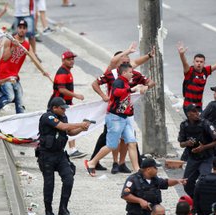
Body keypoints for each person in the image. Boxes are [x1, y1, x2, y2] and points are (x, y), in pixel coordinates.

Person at [90, 45, 155, 173]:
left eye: (128, 61)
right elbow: (116, 90)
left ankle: (131, 167)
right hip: (115, 113)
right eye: (123, 61)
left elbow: (138, 66)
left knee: (131, 141)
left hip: (127, 113)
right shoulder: (113, 74)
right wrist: (104, 96)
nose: (127, 63)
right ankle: (96, 161)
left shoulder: (131, 73)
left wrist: (149, 56)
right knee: (110, 142)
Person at [84, 63, 147, 176]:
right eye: (130, 72)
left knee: (132, 142)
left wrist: (142, 87)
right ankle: (92, 162)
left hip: (125, 117)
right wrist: (132, 90)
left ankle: (137, 170)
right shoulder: (118, 82)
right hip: (115, 118)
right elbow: (116, 93)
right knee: (112, 145)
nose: (132, 74)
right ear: (124, 73)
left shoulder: (126, 82)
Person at [36, 97, 91, 215]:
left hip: (60, 154)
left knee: (69, 179)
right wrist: (80, 124)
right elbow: (62, 127)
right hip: (47, 155)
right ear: (54, 108)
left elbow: (70, 132)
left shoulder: (63, 117)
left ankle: (63, 209)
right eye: (62, 108)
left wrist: (81, 128)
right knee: (49, 184)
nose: (64, 111)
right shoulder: (48, 117)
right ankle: (48, 211)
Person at [120, 158, 187, 215]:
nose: (157, 170)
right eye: (155, 168)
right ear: (148, 169)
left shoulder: (155, 179)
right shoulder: (133, 179)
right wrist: (140, 200)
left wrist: (177, 181)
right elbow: (125, 195)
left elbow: (165, 182)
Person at [0, 19, 48, 113]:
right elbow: (5, 58)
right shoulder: (10, 41)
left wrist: (43, 71)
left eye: (24, 28)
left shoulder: (27, 45)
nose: (22, 30)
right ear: (17, 29)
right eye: (20, 28)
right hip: (4, 74)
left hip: (14, 75)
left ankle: (21, 118)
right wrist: (13, 47)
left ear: (26, 30)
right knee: (10, 97)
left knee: (19, 99)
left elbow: (34, 59)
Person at [177, 41, 216, 113]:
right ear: (193, 62)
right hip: (189, 106)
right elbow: (185, 63)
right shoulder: (189, 71)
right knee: (199, 122)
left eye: (201, 62)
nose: (199, 63)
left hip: (199, 105)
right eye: (197, 61)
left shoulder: (205, 71)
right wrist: (182, 55)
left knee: (202, 122)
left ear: (204, 63)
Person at [178, 104, 216, 197]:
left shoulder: (206, 123)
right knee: (187, 183)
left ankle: (205, 200)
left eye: (198, 111)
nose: (197, 113)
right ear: (188, 114)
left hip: (206, 157)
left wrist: (204, 147)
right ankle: (196, 200)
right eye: (194, 111)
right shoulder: (184, 125)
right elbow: (181, 143)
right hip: (193, 158)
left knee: (205, 181)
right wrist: (187, 143)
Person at [51, 50, 86, 159]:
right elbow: (62, 90)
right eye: (69, 59)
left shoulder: (67, 71)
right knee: (60, 126)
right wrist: (76, 95)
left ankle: (72, 149)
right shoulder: (62, 72)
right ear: (63, 60)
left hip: (65, 104)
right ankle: (68, 149)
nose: (71, 61)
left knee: (68, 123)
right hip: (58, 105)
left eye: (72, 59)